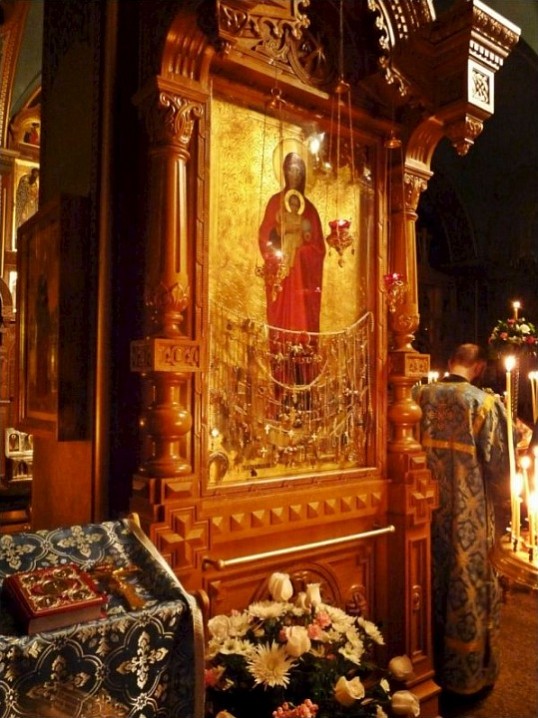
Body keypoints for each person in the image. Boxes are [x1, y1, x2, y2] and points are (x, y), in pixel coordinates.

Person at [415, 343, 510, 698]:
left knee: (427, 579)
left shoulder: (420, 395)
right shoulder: (483, 404)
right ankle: (465, 676)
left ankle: (424, 665)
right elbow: (499, 465)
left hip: (423, 508)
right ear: (479, 367)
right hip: (469, 515)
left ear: (450, 361)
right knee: (466, 582)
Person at [258, 152, 325, 388]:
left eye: (298, 171)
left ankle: (304, 379)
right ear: (284, 172)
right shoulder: (275, 203)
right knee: (281, 326)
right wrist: (280, 244)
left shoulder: (311, 211)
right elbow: (265, 238)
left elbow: (319, 249)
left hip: (303, 285)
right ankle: (280, 379)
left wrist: (301, 249)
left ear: (304, 175)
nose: (294, 174)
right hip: (282, 279)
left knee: (303, 327)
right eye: (290, 170)